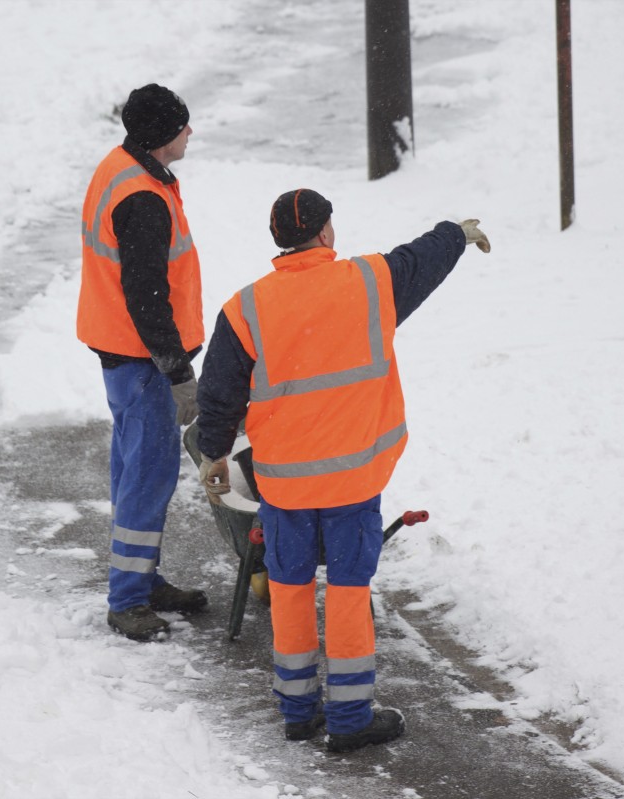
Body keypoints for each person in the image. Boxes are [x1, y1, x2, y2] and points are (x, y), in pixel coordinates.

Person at [195, 188, 490, 751]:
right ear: (326, 232)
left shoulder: (246, 308)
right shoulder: (370, 283)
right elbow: (419, 261)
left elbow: (220, 391)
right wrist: (455, 233)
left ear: (278, 238)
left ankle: (298, 710)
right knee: (350, 591)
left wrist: (214, 453)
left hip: (284, 483)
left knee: (289, 586)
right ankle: (350, 718)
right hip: (352, 480)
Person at [77, 83, 209, 641]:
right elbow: (147, 298)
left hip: (121, 348)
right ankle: (128, 599)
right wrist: (177, 371)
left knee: (134, 471)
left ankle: (143, 579)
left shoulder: (123, 167)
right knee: (147, 478)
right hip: (142, 360)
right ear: (159, 137)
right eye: (182, 126)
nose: (190, 132)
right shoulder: (143, 199)